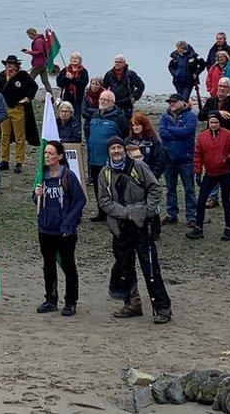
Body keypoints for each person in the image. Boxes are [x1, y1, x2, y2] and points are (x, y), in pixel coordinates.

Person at [97, 136, 172, 324]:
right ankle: (132, 304)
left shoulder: (138, 167)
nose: (116, 151)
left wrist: (146, 210)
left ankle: (162, 308)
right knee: (125, 268)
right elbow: (104, 201)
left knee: (151, 269)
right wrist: (126, 213)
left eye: (119, 148)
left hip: (142, 227)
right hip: (120, 228)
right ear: (108, 151)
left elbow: (155, 188)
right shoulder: (104, 173)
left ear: (124, 150)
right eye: (112, 148)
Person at [33, 140, 86, 316]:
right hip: (45, 228)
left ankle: (71, 301)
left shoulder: (68, 176)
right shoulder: (41, 175)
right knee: (48, 265)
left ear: (60, 156)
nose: (47, 156)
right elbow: (37, 201)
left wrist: (69, 222)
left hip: (64, 230)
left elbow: (80, 200)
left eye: (50, 153)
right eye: (45, 153)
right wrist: (36, 195)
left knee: (68, 265)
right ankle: (51, 298)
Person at [191, 114, 230, 240]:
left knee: (226, 202)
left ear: (220, 123)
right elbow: (198, 155)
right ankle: (198, 228)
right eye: (211, 122)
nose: (214, 125)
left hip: (224, 173)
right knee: (201, 201)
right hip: (209, 174)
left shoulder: (228, 135)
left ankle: (228, 228)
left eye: (216, 122)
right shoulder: (203, 136)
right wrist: (197, 172)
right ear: (208, 123)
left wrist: (228, 159)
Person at [85, 91, 130, 222]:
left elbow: (125, 135)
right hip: (93, 159)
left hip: (108, 161)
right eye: (101, 99)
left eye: (106, 100)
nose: (103, 102)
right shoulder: (95, 114)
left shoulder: (119, 117)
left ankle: (114, 212)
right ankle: (101, 212)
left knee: (111, 188)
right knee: (97, 187)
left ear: (112, 102)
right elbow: (88, 132)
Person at [156, 95, 196, 228]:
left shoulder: (190, 116)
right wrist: (178, 132)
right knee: (170, 189)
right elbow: (162, 133)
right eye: (169, 102)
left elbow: (187, 132)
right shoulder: (165, 116)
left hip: (186, 158)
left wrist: (171, 129)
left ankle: (191, 216)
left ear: (182, 102)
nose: (171, 104)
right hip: (169, 158)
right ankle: (171, 214)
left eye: (174, 102)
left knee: (189, 189)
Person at [0, 54, 38, 174]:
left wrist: (28, 98)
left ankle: (19, 161)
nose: (9, 66)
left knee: (20, 137)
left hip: (18, 109)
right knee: (4, 136)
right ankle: (4, 160)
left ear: (16, 65)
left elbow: (34, 86)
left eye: (11, 64)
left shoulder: (23, 75)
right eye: (7, 64)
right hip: (4, 110)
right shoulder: (2, 75)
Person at [127, 111, 167, 182]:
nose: (135, 127)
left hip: (149, 177)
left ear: (144, 125)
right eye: (133, 125)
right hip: (132, 178)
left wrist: (153, 176)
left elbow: (161, 160)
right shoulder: (128, 141)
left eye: (138, 125)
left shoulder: (153, 141)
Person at [57, 52, 89, 130]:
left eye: (76, 58)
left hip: (78, 98)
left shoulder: (83, 71)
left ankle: (77, 135)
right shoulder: (65, 70)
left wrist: (73, 79)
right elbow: (59, 83)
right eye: (73, 58)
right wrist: (66, 78)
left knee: (77, 117)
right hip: (66, 97)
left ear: (80, 60)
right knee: (65, 116)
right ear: (70, 60)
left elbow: (83, 84)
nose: (74, 60)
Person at [22, 27, 53, 98]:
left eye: (29, 35)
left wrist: (29, 52)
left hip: (38, 64)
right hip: (43, 63)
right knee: (45, 81)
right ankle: (51, 98)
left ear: (31, 34)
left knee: (29, 80)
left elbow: (40, 52)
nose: (29, 37)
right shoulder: (41, 39)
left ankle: (27, 96)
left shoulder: (37, 41)